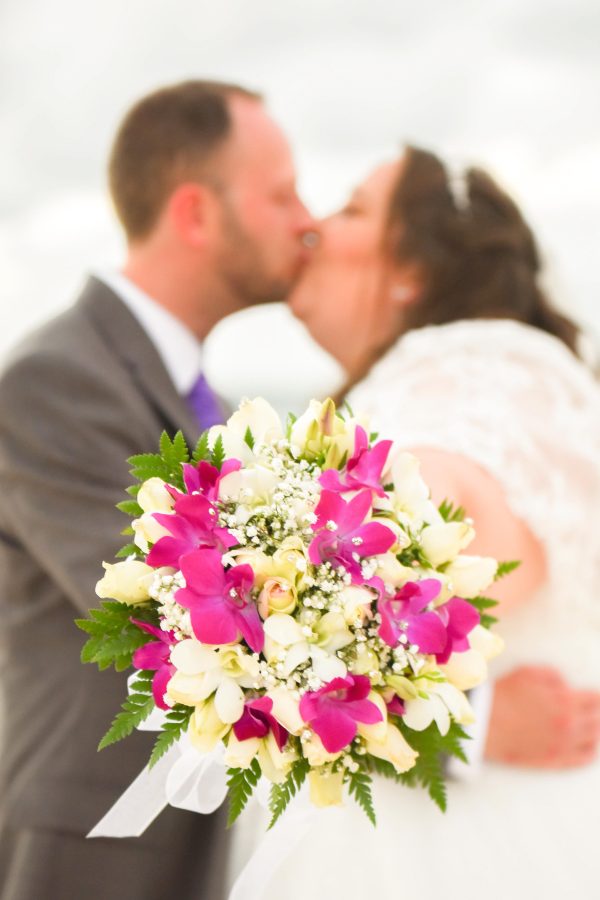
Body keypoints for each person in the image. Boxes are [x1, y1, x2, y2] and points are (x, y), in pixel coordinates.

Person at [0, 79, 314, 900]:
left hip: (181, 838)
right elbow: (180, 612)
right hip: (93, 844)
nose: (306, 219)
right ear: (196, 214)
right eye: (281, 195)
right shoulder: (55, 379)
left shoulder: (182, 392)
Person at [257, 146, 600, 897]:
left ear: (413, 272)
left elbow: (451, 502)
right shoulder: (475, 374)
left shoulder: (469, 373)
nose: (313, 225)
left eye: (350, 208)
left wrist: (276, 577)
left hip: (451, 850)